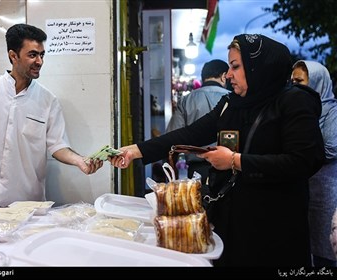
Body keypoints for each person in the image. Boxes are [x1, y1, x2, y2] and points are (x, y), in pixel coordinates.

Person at [109, 34, 325, 266]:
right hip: (232, 223)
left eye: (235, 66)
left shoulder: (293, 102)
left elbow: (304, 161)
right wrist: (134, 150)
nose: (229, 74)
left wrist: (235, 160)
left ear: (258, 67)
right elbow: (189, 134)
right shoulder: (231, 103)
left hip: (274, 226)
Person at [0, 24, 103, 219]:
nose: (39, 61)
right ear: (13, 56)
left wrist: (80, 161)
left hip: (26, 206)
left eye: (42, 55)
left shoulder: (47, 100)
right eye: (33, 55)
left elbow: (57, 145)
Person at [291, 60, 337, 267]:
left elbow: (331, 147)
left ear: (317, 82)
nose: (295, 87)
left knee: (325, 252)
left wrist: (300, 154)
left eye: (300, 81)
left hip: (327, 193)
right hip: (304, 190)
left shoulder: (332, 112)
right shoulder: (299, 112)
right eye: (292, 81)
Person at [166, 59, 230, 182]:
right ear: (223, 76)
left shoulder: (186, 100)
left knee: (198, 200)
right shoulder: (232, 98)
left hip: (198, 170)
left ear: (204, 77)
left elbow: (172, 137)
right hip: (229, 168)